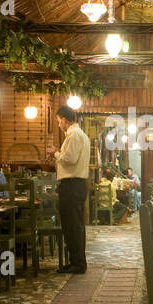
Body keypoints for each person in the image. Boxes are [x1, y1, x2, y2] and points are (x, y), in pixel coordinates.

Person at [48, 103, 90, 274]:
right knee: (76, 225)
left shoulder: (73, 135)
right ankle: (78, 261)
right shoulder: (81, 135)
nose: (59, 124)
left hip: (71, 185)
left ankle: (77, 263)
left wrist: (55, 153)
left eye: (59, 121)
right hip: (78, 184)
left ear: (64, 120)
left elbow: (70, 159)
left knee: (72, 225)